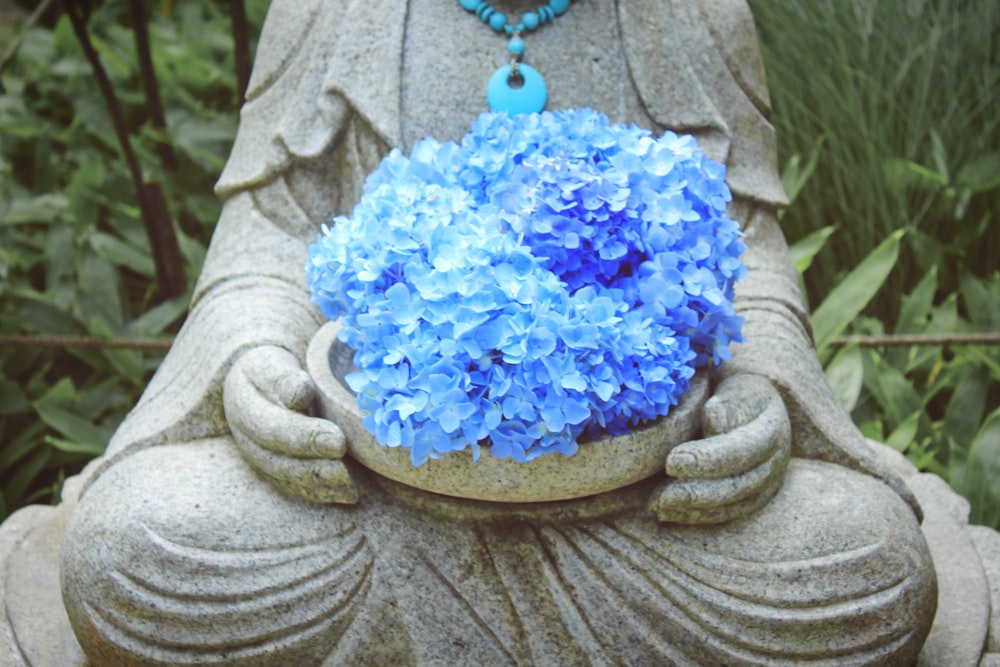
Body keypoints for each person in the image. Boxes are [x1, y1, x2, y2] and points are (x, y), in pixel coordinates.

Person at [60, 0, 937, 664]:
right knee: (132, 548)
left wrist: (754, 385)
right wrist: (255, 355)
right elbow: (274, 231)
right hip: (373, 490)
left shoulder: (693, 12)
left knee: (871, 568)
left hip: (642, 500)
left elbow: (742, 246)